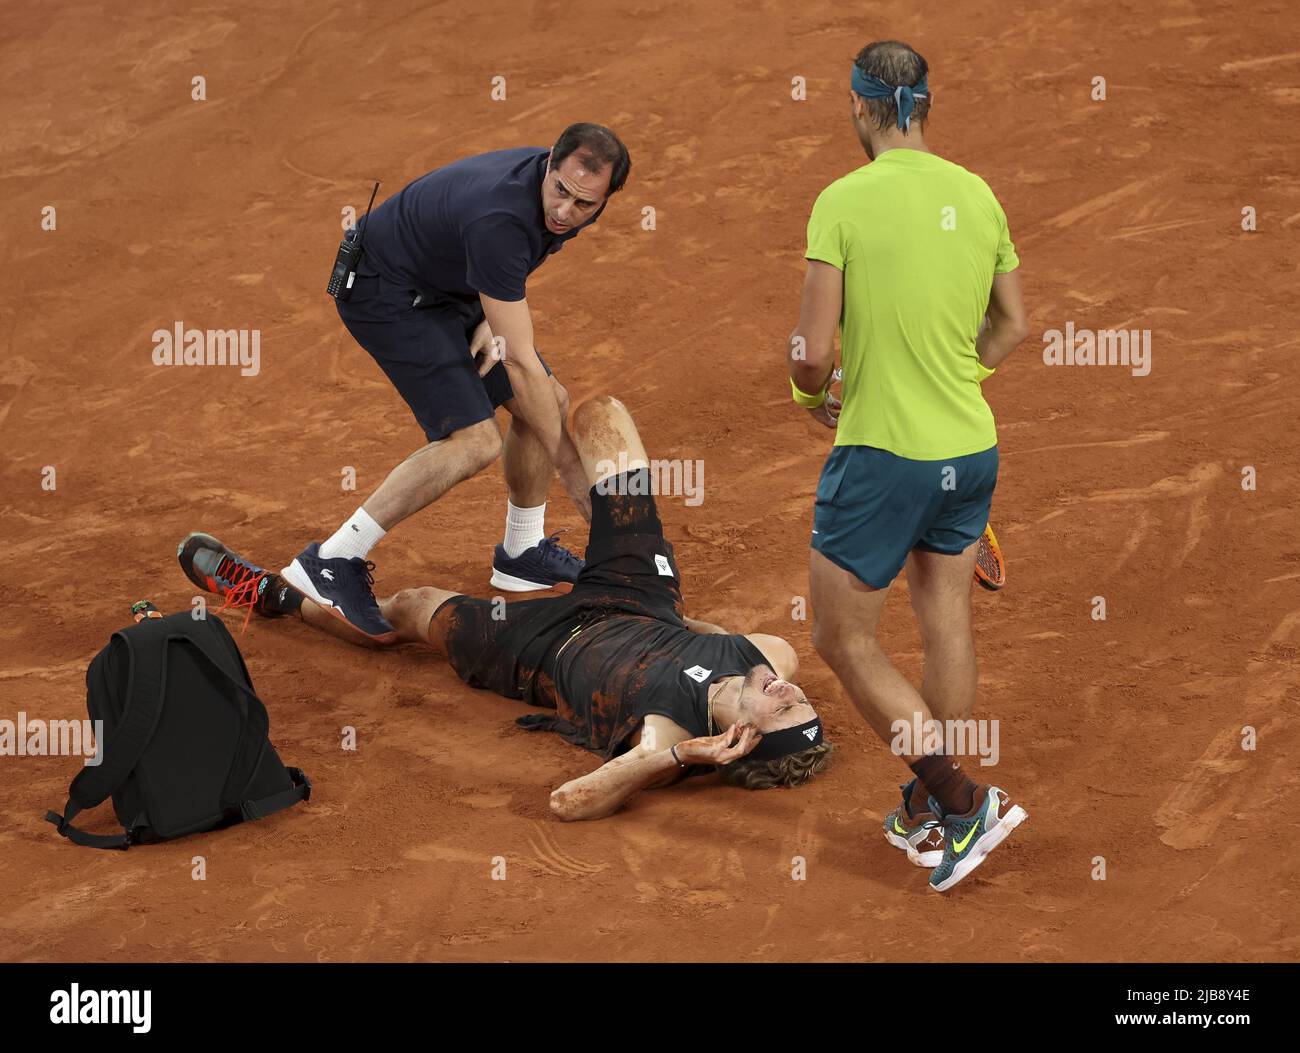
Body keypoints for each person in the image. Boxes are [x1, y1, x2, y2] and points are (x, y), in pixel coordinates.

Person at [179, 396, 833, 820]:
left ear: (742, 737)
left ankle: (272, 595)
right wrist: (665, 604)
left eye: (786, 706)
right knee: (602, 414)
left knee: (406, 611)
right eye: (803, 698)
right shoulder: (771, 652)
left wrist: (680, 759)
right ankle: (521, 493)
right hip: (640, 596)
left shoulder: (667, 734)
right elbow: (707, 631)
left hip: (537, 646)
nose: (791, 688)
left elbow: (569, 802)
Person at [787, 40, 1030, 892]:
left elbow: (814, 357)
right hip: (970, 447)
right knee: (946, 620)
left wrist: (801, 388)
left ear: (859, 108)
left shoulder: (842, 202)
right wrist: (950, 377)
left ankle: (963, 804)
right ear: (922, 107)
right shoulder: (978, 194)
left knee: (839, 637)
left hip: (884, 457)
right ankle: (929, 808)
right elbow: (1010, 327)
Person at [283, 124, 632, 642]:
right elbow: (518, 361)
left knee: (549, 401)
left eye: (584, 204)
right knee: (474, 441)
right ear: (550, 164)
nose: (565, 212)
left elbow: (508, 271)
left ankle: (523, 551)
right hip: (386, 291)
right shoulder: (500, 217)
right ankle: (331, 560)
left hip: (448, 288)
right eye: (560, 191)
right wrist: (573, 474)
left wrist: (492, 312)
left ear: (604, 199)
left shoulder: (562, 199)